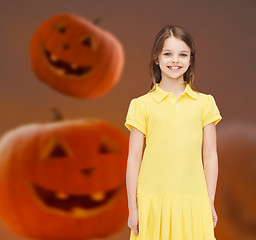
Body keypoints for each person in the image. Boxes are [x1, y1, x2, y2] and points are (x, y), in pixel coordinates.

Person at [124, 24, 222, 240]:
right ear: (157, 59)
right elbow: (133, 159)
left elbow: (210, 155)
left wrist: (209, 201)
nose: (175, 60)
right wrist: (133, 208)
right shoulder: (141, 105)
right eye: (168, 54)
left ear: (190, 59)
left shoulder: (205, 103)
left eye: (182, 54)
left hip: (193, 200)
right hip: (152, 201)